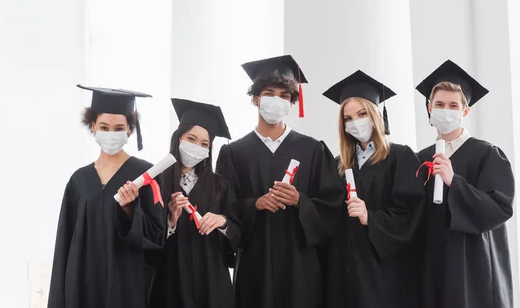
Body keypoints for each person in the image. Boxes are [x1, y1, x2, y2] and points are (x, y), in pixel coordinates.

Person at [216, 55, 344, 308]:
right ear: (255, 99)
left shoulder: (313, 150)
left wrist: (301, 201)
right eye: (269, 93)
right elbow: (224, 208)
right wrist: (255, 204)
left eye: (285, 96)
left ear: (293, 102)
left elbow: (333, 205)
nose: (277, 100)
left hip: (301, 264)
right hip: (255, 263)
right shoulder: (233, 153)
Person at [48, 85, 165, 308]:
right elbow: (64, 245)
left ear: (130, 129)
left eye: (118, 127)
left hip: (126, 286)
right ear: (92, 126)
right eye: (104, 127)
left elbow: (157, 239)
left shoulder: (146, 176)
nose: (111, 133)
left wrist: (130, 211)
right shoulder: (79, 181)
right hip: (82, 285)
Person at [317, 70, 424, 308]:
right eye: (348, 118)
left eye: (362, 113)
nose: (355, 122)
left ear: (376, 114)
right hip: (343, 270)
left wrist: (371, 218)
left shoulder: (400, 157)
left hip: (383, 272)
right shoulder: (339, 164)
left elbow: (412, 214)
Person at [415, 60, 514, 308]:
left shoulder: (486, 154)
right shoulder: (419, 159)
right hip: (432, 267)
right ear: (429, 107)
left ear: (465, 111)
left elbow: (499, 208)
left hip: (473, 268)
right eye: (439, 104)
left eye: (453, 105)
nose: (445, 110)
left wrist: (453, 182)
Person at [149, 98, 240, 308]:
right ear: (178, 138)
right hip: (170, 279)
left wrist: (223, 222)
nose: (197, 147)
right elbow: (147, 238)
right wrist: (170, 222)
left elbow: (239, 234)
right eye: (191, 139)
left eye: (204, 144)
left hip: (211, 280)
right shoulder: (157, 182)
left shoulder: (221, 186)